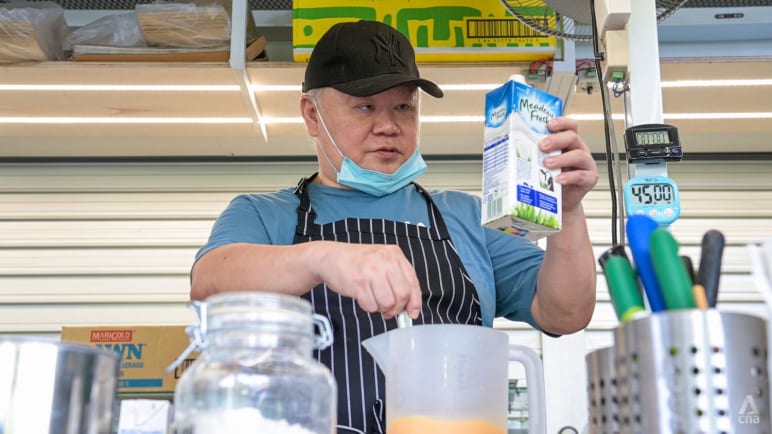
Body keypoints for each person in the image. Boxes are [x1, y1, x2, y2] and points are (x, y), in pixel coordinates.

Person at [191, 20, 598, 434]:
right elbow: (209, 281)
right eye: (365, 106)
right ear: (312, 115)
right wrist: (323, 257)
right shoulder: (263, 215)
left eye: (404, 107)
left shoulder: (466, 217)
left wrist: (568, 211)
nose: (389, 126)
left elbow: (565, 312)